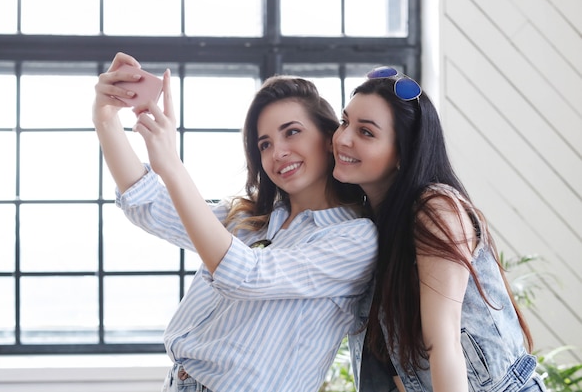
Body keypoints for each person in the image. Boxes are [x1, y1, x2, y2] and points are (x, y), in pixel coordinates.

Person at [92, 52, 378, 392]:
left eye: (292, 132)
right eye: (265, 144)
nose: (278, 152)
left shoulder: (355, 237)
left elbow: (245, 274)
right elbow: (149, 204)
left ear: (329, 140)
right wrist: (105, 119)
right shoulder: (250, 219)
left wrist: (172, 164)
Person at [333, 66, 547, 392]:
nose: (343, 138)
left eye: (366, 132)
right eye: (345, 122)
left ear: (403, 154)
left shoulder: (436, 209)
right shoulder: (363, 227)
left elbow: (442, 342)